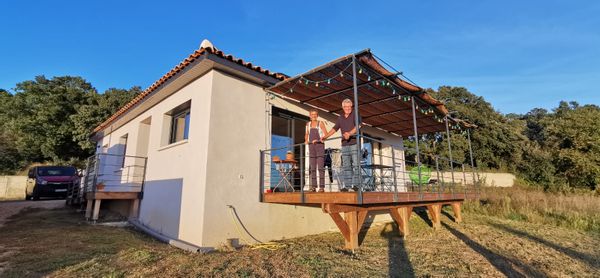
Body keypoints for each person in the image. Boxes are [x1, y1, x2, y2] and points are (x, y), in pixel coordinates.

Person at [322, 99, 361, 191]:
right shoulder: (340, 117)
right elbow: (335, 128)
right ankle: (347, 186)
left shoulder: (355, 114)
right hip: (344, 144)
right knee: (346, 166)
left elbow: (358, 126)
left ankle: (357, 186)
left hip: (354, 143)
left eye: (349, 106)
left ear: (351, 106)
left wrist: (349, 134)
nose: (347, 108)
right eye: (345, 106)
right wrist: (325, 137)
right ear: (343, 107)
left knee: (356, 164)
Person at [305, 110, 328, 192]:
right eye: (312, 114)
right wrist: (306, 140)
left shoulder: (320, 123)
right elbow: (307, 134)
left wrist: (319, 139)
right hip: (311, 146)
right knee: (313, 167)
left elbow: (326, 134)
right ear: (310, 116)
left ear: (317, 115)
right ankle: (313, 186)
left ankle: (321, 187)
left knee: (320, 167)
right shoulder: (308, 124)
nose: (313, 116)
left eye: (315, 114)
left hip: (319, 146)